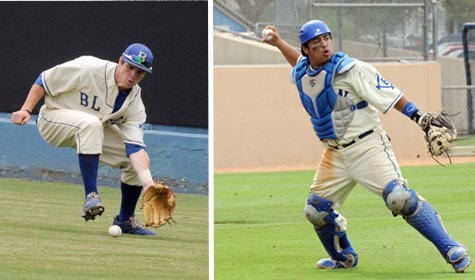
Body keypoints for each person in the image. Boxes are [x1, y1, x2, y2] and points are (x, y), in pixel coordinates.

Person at [262, 20, 470, 272]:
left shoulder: (352, 69)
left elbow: (389, 93)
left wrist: (420, 118)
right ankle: (344, 257)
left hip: (368, 146)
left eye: (326, 39)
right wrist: (278, 43)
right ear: (307, 49)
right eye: (316, 44)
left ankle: (451, 248)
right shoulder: (304, 72)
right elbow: (298, 63)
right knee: (316, 211)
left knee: (399, 198)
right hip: (335, 154)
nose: (324, 46)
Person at [11, 43, 158, 236]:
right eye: (129, 67)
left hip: (92, 130)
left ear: (144, 75)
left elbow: (135, 147)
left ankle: (125, 220)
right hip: (53, 118)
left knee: (134, 163)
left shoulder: (135, 104)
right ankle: (91, 195)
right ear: (120, 61)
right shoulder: (89, 68)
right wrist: (26, 109)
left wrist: (148, 183)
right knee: (91, 124)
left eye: (139, 72)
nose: (132, 75)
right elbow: (44, 80)